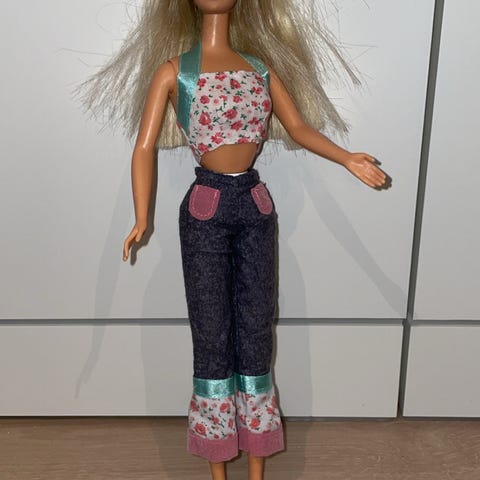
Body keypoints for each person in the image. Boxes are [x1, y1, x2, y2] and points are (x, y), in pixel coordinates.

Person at [77, 1, 388, 479]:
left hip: (255, 206)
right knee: (211, 335)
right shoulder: (175, 72)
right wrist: (141, 217)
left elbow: (299, 128)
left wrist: (346, 157)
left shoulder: (259, 70)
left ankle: (257, 467)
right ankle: (219, 468)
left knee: (257, 332)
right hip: (206, 208)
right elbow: (143, 147)